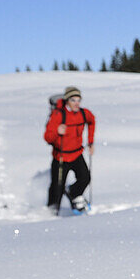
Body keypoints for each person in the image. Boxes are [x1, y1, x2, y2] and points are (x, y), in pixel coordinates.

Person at [44, 85, 95, 214]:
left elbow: (92, 121)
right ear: (67, 101)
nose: (76, 103)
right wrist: (57, 131)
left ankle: (73, 192)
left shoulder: (84, 113)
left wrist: (90, 142)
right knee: (57, 187)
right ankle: (51, 211)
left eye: (78, 100)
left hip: (77, 154)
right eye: (73, 100)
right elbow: (47, 137)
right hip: (60, 157)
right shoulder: (58, 115)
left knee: (85, 178)